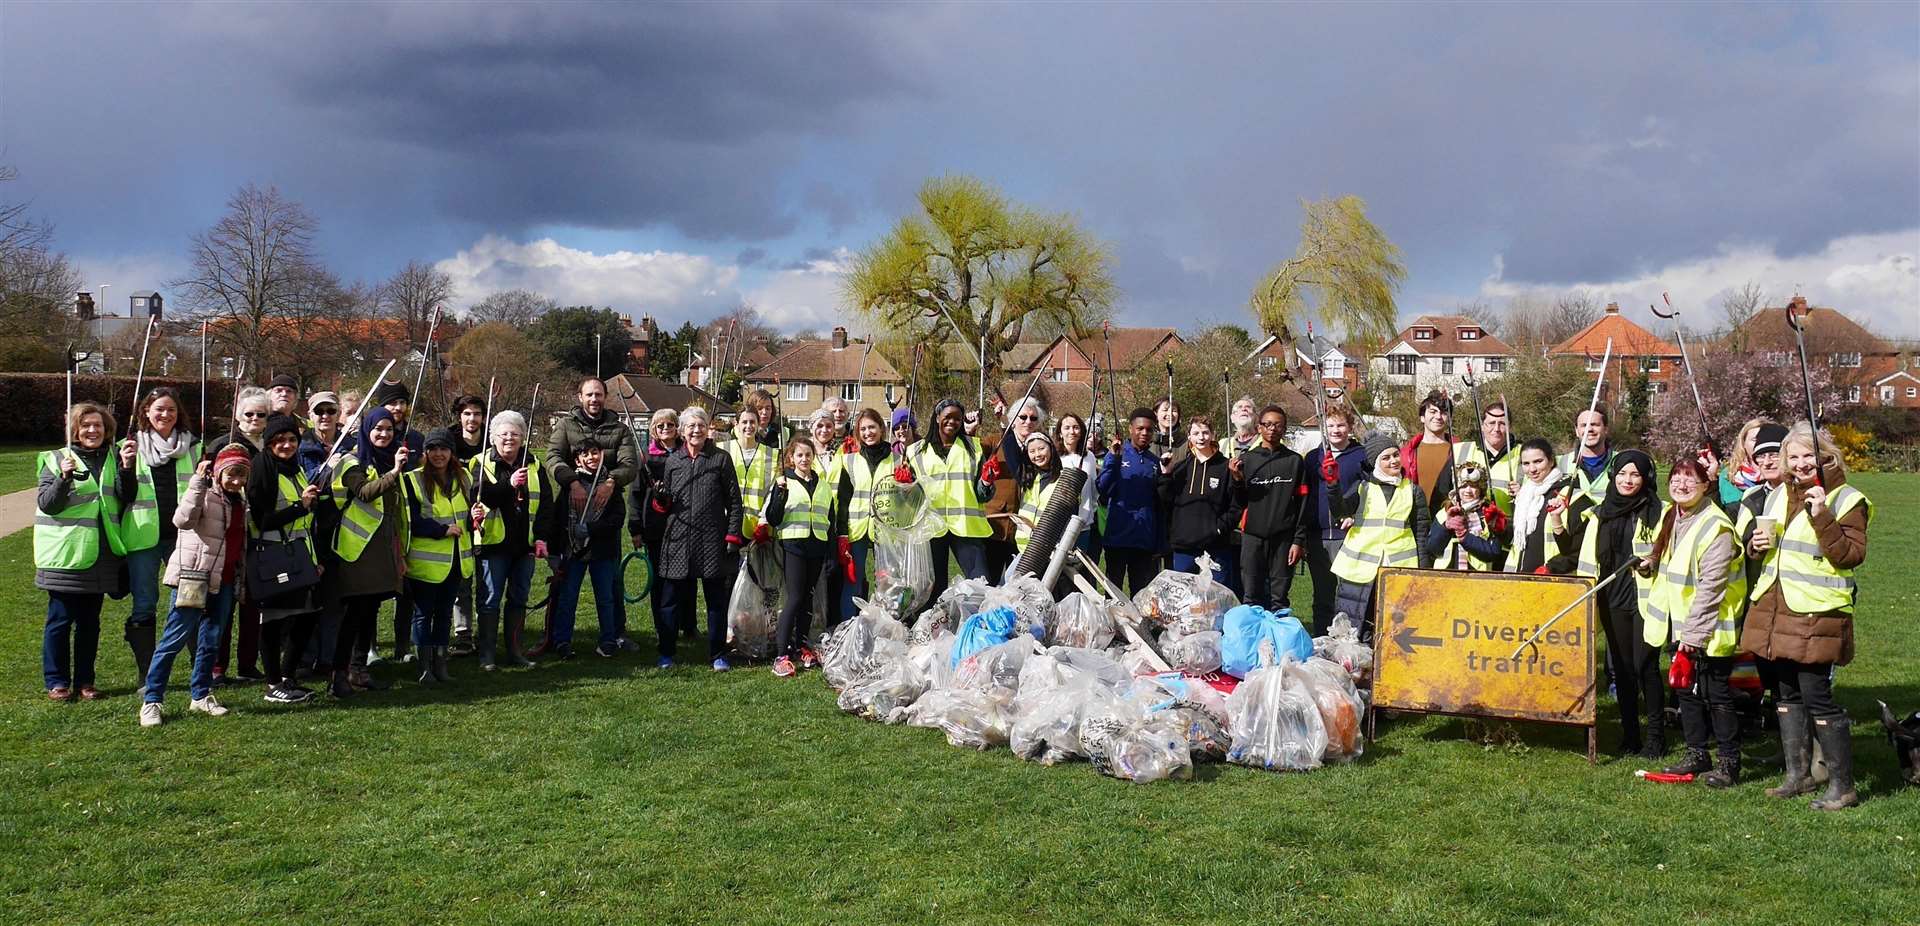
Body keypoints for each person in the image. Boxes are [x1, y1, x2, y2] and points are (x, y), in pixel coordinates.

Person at [1740, 423, 1872, 810]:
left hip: (1817, 611)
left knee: (1818, 696)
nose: (1800, 464)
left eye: (1807, 455)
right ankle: (1797, 776)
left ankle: (1842, 785)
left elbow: (1850, 555)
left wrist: (1821, 515)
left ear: (1826, 455)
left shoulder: (1847, 499)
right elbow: (1772, 550)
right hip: (1776, 608)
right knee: (1785, 692)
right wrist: (1755, 545)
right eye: (1793, 457)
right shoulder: (1779, 493)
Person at [1646, 456, 1747, 787]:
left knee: (1716, 695)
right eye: (1676, 477)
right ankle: (1696, 753)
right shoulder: (1674, 517)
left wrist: (1692, 637)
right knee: (1686, 691)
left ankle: (1729, 763)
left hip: (1711, 628)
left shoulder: (1716, 527)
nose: (1681, 484)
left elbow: (1711, 587)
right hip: (1682, 625)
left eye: (1691, 478)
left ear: (1706, 485)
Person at [1558, 449, 1665, 757]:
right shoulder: (1599, 513)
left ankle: (1656, 738)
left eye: (1635, 474)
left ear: (1645, 478)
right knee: (1623, 668)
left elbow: (1665, 553)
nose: (1627, 480)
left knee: (1646, 667)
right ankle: (1631, 736)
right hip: (1611, 598)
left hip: (1645, 599)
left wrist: (1652, 562)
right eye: (1621, 474)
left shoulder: (1659, 512)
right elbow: (1579, 553)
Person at [140, 447, 251, 724]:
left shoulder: (240, 500)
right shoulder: (205, 493)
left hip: (224, 582)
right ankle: (152, 700)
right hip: (195, 578)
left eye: (242, 474)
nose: (236, 480)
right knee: (173, 640)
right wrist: (197, 483)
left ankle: (201, 695)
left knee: (210, 641)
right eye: (232, 473)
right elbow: (182, 520)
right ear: (218, 472)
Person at [37, 402, 136, 702]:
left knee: (90, 622)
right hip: (66, 553)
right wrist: (63, 478)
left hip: (101, 554)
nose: (93, 431)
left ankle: (85, 681)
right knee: (60, 619)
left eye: (98, 426)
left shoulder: (115, 456)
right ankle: (57, 682)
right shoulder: (55, 459)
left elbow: (126, 495)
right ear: (75, 431)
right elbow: (48, 503)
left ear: (107, 430)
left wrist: (128, 468)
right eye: (86, 426)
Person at [325, 408, 409, 696]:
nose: (384, 434)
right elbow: (364, 492)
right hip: (355, 551)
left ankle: (359, 670)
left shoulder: (386, 459)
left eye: (388, 429)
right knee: (353, 614)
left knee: (369, 612)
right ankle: (338, 674)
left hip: (381, 549)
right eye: (378, 429)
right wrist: (395, 472)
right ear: (366, 430)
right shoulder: (351, 462)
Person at [653, 406, 745, 670]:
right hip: (678, 541)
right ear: (682, 431)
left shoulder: (721, 459)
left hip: (712, 540)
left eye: (701, 425)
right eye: (691, 426)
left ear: (708, 429)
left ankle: (718, 654)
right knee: (670, 601)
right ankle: (667, 652)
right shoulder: (673, 461)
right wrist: (661, 500)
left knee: (715, 601)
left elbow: (735, 503)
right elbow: (665, 505)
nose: (696, 430)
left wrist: (732, 535)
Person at [124, 387, 199, 689]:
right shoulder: (130, 446)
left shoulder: (193, 446)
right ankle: (147, 672)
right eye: (159, 409)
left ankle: (199, 668)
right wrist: (126, 467)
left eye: (171, 409)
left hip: (183, 535)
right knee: (144, 603)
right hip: (143, 536)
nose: (165, 415)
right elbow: (124, 495)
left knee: (190, 599)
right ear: (145, 412)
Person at [250, 414, 327, 704]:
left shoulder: (296, 470)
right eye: (280, 440)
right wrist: (300, 506)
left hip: (300, 554)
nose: (287, 445)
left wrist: (314, 557)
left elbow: (306, 521)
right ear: (269, 443)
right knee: (274, 621)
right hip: (273, 555)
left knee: (307, 615)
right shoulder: (263, 469)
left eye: (292, 439)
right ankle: (273, 683)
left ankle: (287, 676)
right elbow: (262, 519)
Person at [471, 411, 556, 671]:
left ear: (523, 437)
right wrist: (509, 483)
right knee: (490, 599)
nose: (509, 438)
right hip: (492, 545)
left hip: (524, 546)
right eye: (504, 434)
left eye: (515, 434)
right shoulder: (479, 462)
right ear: (493, 437)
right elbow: (480, 496)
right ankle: (486, 654)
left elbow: (545, 505)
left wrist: (541, 537)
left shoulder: (534, 465)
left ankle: (515, 651)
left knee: (519, 598)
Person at [1330, 432, 1432, 641]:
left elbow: (1421, 533)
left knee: (1392, 628)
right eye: (1386, 458)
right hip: (1359, 570)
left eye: (1395, 455)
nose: (1394, 460)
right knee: (1354, 629)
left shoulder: (1413, 491)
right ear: (1375, 462)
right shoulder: (1362, 487)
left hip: (1398, 569)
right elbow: (1340, 510)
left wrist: (1423, 570)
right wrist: (1332, 486)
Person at [206, 387, 270, 683]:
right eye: (249, 414)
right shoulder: (222, 445)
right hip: (227, 534)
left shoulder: (271, 446)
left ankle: (247, 664)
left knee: (252, 605)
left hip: (260, 535)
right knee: (223, 607)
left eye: (261, 414)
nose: (255, 419)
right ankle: (217, 667)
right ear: (237, 416)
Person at [403, 429, 474, 685]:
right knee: (423, 613)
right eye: (433, 449)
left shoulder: (463, 477)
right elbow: (412, 521)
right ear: (425, 452)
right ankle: (424, 666)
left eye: (443, 449)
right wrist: (441, 530)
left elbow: (470, 511)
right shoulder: (413, 480)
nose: (438, 454)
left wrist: (477, 516)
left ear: (451, 452)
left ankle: (440, 662)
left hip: (456, 559)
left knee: (444, 613)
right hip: (426, 561)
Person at [907, 399, 992, 604]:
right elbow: (910, 499)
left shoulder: (975, 448)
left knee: (980, 583)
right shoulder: (915, 451)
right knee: (932, 586)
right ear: (937, 418)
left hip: (966, 526)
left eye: (957, 418)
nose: (952, 422)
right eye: (947, 417)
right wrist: (905, 486)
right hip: (932, 526)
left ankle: (982, 628)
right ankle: (931, 628)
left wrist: (987, 482)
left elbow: (982, 495)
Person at [766, 438, 838, 677]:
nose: (804, 459)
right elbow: (774, 517)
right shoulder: (784, 482)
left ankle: (801, 646)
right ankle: (781, 655)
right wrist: (779, 494)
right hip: (794, 545)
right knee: (795, 597)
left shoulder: (823, 485)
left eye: (808, 455)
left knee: (807, 597)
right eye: (799, 455)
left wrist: (831, 553)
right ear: (792, 458)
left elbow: (830, 520)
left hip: (816, 545)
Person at [549, 438, 624, 661]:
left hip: (602, 551)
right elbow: (557, 518)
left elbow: (617, 519)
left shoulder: (611, 486)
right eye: (585, 454)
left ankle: (608, 641)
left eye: (595, 453)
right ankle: (562, 640)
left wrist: (591, 528)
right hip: (573, 551)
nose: (591, 458)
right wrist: (554, 552)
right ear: (577, 459)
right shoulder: (569, 486)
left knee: (606, 598)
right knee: (568, 597)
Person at [1231, 405, 1308, 610]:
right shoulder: (1247, 459)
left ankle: (1279, 637)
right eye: (1267, 424)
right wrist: (1237, 480)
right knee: (1251, 595)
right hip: (1253, 537)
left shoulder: (1294, 461)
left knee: (1279, 598)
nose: (1272, 429)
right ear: (1259, 428)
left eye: (1278, 425)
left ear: (1284, 429)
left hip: (1283, 539)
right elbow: (1239, 502)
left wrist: (1298, 540)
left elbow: (1302, 504)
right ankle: (1253, 638)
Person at [1301, 404, 1366, 634]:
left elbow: (1368, 494)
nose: (1336, 430)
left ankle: (1349, 642)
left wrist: (1355, 516)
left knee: (1348, 595)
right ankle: (1321, 641)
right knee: (1323, 594)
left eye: (1341, 425)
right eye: (1330, 426)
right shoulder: (1312, 458)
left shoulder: (1362, 456)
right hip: (1318, 536)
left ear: (1349, 427)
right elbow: (1305, 496)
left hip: (1348, 535)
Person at [1159, 417, 1243, 589]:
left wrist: (1219, 528)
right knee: (1183, 597)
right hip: (1184, 546)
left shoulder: (1226, 467)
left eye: (1205, 432)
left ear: (1213, 435)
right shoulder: (1180, 467)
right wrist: (1166, 474)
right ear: (1189, 437)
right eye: (1196, 433)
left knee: (1216, 599)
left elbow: (1237, 504)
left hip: (1216, 546)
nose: (1201, 437)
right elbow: (1165, 500)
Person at [835, 408, 897, 618]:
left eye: (872, 427)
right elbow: (842, 501)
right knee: (852, 581)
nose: (868, 433)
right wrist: (842, 534)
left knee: (888, 583)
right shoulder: (849, 460)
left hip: (886, 530)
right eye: (863, 429)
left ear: (881, 428)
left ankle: (888, 627)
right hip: (856, 529)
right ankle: (847, 628)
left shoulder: (897, 460)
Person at [630, 409, 683, 650]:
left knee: (684, 581)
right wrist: (635, 529)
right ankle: (662, 629)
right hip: (655, 528)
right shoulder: (647, 460)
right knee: (659, 582)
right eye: (660, 426)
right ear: (654, 430)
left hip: (682, 526)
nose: (665, 430)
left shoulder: (687, 453)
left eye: (670, 425)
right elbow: (635, 496)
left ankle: (686, 625)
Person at [1098, 408, 1164, 595]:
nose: (1144, 433)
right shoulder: (1116, 454)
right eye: (1140, 428)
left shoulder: (1155, 462)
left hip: (1143, 538)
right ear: (1130, 429)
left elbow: (1159, 502)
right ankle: (1112, 624)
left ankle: (1136, 624)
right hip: (1117, 535)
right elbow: (1102, 488)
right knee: (1113, 591)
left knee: (1140, 592)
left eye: (1149, 430)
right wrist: (1113, 459)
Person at [985, 396, 1047, 582]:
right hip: (996, 526)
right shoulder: (996, 441)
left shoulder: (1040, 449)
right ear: (1013, 419)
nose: (1028, 422)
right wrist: (969, 428)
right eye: (1023, 417)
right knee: (990, 581)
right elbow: (972, 447)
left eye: (1033, 418)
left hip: (1025, 530)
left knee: (1019, 585)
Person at [1424, 462, 1507, 571]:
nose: (1468, 490)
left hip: (1479, 578)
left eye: (1473, 486)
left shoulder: (1489, 513)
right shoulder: (1444, 513)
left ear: (1481, 489)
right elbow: (1432, 550)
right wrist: (1446, 527)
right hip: (1446, 577)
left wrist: (1465, 537)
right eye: (1463, 486)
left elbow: (1494, 552)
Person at [1504, 438, 1566, 574]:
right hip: (1519, 575)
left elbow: (1573, 546)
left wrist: (1551, 568)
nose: (1532, 469)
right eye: (1526, 463)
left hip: (1553, 578)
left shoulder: (1565, 493)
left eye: (1538, 461)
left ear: (1551, 461)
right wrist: (1499, 526)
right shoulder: (1524, 494)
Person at [721, 406, 779, 544]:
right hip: (725, 525)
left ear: (758, 424)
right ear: (736, 424)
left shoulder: (772, 455)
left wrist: (763, 521)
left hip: (757, 529)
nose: (749, 426)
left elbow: (772, 491)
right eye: (744, 422)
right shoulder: (722, 449)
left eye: (752, 422)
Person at [1454, 399, 1518, 516]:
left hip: (1510, 528)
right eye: (1492, 423)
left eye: (1502, 424)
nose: (1497, 429)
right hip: (1468, 527)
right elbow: (1444, 492)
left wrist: (1523, 493)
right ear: (1482, 426)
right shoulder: (1459, 450)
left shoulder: (1525, 454)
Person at [1052, 412, 1101, 560]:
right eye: (1067, 428)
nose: (1071, 432)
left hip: (1082, 525)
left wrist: (1090, 512)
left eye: (1075, 427)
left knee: (1077, 567)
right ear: (1060, 432)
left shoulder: (1089, 457)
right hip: (1058, 524)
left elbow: (1093, 489)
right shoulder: (1054, 456)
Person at [1399, 388, 1458, 510]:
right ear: (1422, 417)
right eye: (1433, 411)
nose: (1438, 416)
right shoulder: (1405, 453)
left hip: (1449, 519)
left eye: (1443, 412)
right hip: (1415, 519)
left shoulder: (1461, 451)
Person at [1013, 433, 1062, 555]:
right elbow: (1010, 449)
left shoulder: (1063, 479)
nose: (1037, 455)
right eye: (1032, 451)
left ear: (1051, 448)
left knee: (1010, 575)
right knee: (1009, 575)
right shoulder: (1029, 479)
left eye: (1041, 449)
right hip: (1024, 549)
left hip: (1047, 551)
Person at [1559, 408, 1615, 508]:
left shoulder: (1622, 462)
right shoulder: (1559, 463)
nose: (1589, 429)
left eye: (1595, 424)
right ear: (1576, 431)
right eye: (1584, 425)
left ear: (1606, 429)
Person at [1717, 417, 1774, 508]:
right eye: (1754, 440)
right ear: (1743, 443)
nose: (1759, 443)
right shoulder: (1728, 475)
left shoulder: (1779, 474)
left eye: (1764, 439)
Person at [451, 394, 488, 462]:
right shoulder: (449, 439)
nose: (472, 419)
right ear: (459, 417)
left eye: (477, 414)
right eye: (467, 414)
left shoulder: (492, 440)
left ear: (483, 417)